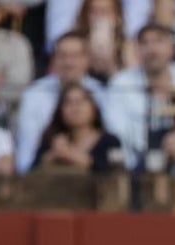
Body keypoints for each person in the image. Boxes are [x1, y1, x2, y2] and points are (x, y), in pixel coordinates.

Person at [105, 22, 175, 169]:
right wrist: (159, 147)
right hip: (134, 165)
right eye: (145, 43)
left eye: (159, 41)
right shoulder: (121, 83)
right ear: (137, 50)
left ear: (173, 48)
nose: (152, 49)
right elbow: (116, 132)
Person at [16, 32, 108, 173]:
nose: (68, 63)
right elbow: (27, 149)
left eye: (75, 56)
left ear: (87, 59)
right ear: (54, 59)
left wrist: (77, 156)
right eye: (62, 56)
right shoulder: (34, 94)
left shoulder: (101, 94)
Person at [33, 82, 125, 172]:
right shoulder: (51, 139)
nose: (75, 108)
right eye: (68, 103)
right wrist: (52, 156)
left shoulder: (111, 141)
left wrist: (82, 159)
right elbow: (29, 172)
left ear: (93, 109)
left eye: (81, 102)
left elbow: (119, 172)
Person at [74, 0, 138, 83]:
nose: (99, 17)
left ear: (116, 16)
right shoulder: (75, 43)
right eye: (94, 12)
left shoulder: (127, 45)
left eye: (105, 11)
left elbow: (133, 80)